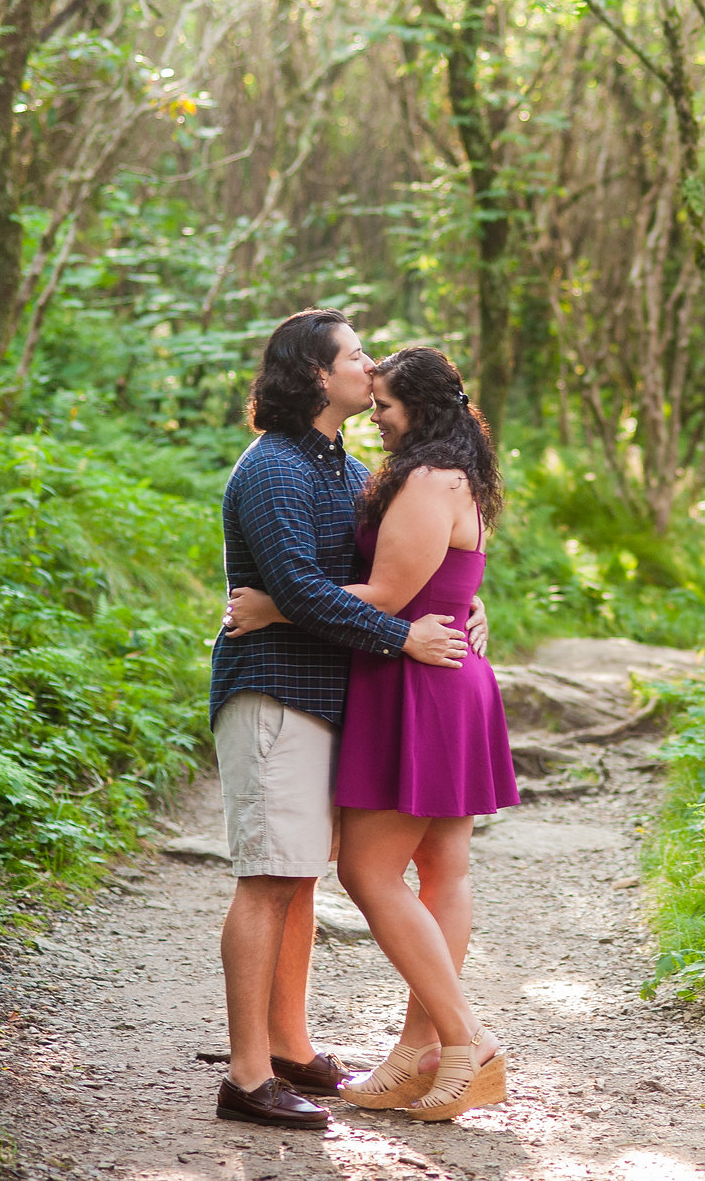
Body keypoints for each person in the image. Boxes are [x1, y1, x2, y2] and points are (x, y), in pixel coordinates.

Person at [226, 345, 516, 1122]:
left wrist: (273, 606)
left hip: (421, 679)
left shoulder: (424, 478)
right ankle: (415, 1057)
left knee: (369, 870)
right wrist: (465, 607)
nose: (378, 414)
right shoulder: (448, 474)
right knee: (442, 866)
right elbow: (441, 579)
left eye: (386, 402)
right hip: (439, 671)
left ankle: (462, 1039)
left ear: (416, 409)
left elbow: (388, 592)